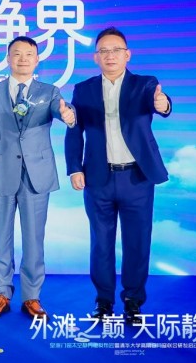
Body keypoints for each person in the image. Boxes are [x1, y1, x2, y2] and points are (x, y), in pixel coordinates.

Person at [65, 27, 171, 325]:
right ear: (95, 57)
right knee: (101, 242)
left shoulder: (145, 85)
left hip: (137, 177)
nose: (110, 55)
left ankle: (133, 301)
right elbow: (75, 131)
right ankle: (103, 301)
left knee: (137, 242)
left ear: (127, 55)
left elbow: (161, 105)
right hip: (98, 178)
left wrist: (163, 104)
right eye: (104, 51)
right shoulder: (83, 89)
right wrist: (74, 167)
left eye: (116, 50)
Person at [0, 36, 76, 320]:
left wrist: (68, 116)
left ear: (37, 59)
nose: (22, 59)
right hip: (0, 174)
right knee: (0, 238)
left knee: (34, 239)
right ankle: (1, 293)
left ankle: (32, 296)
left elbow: (62, 111)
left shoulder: (49, 92)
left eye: (28, 54)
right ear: (7, 58)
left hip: (36, 176)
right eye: (16, 54)